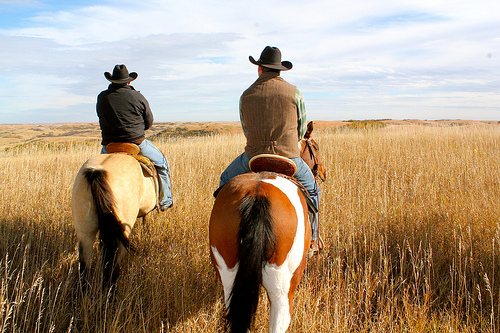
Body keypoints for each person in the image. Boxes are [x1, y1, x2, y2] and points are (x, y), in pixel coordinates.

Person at [218, 46, 322, 256]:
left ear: (259, 68)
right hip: (289, 157)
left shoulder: (246, 94)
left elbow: (246, 128)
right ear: (279, 69)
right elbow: (301, 129)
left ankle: (221, 231)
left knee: (224, 182)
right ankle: (313, 239)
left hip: (252, 157)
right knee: (313, 189)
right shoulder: (295, 92)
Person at [96, 64, 173, 211]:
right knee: (162, 162)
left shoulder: (102, 97)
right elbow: (149, 121)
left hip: (109, 145)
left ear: (112, 81)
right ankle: (165, 201)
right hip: (135, 142)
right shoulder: (137, 96)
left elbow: (101, 117)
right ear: (129, 81)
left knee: (97, 169)